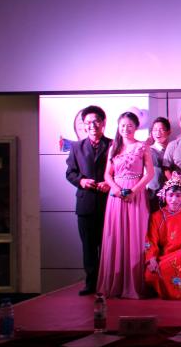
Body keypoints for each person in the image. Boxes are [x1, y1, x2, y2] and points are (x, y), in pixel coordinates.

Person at [98, 111, 154, 299]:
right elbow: (107, 174)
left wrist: (134, 191)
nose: (126, 129)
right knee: (115, 236)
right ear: (118, 127)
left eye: (130, 125)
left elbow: (150, 174)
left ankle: (134, 284)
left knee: (136, 237)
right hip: (116, 197)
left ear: (136, 127)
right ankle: (115, 284)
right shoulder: (114, 147)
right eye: (122, 125)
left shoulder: (142, 146)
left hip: (136, 195)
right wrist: (116, 190)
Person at [66, 105, 111, 295]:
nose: (92, 125)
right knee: (89, 246)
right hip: (85, 204)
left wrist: (110, 184)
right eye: (88, 122)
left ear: (103, 123)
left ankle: (108, 282)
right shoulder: (77, 147)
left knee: (108, 246)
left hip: (109, 204)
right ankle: (91, 283)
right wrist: (81, 181)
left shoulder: (113, 145)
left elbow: (121, 171)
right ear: (84, 125)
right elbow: (70, 173)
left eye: (96, 121)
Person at [144, 176, 181, 300]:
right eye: (170, 195)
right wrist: (151, 259)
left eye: (178, 196)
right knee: (150, 275)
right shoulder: (157, 216)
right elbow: (150, 240)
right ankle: (170, 292)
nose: (174, 199)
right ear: (164, 196)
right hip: (166, 256)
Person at [146, 116, 171, 212]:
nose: (158, 133)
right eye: (155, 130)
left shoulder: (173, 149)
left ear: (169, 131)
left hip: (172, 194)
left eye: (161, 130)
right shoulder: (149, 150)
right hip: (154, 194)